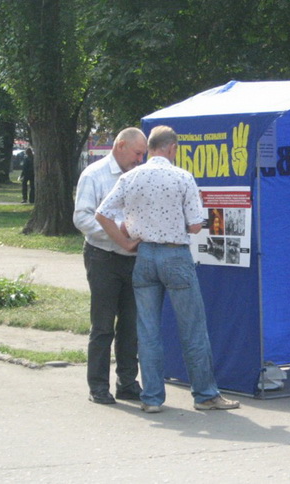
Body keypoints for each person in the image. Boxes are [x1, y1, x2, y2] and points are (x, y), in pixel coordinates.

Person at [95, 125, 239, 414]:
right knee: (192, 328)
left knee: (148, 331)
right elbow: (196, 225)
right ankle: (205, 394)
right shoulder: (182, 177)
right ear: (172, 148)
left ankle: (151, 398)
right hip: (175, 255)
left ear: (149, 147)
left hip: (144, 255)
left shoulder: (129, 177)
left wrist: (125, 242)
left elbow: (102, 214)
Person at [73, 128, 147, 405]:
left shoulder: (139, 175)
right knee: (103, 325)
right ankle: (98, 386)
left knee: (130, 325)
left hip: (133, 259)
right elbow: (82, 218)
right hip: (102, 257)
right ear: (121, 146)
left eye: (143, 154)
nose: (140, 159)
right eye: (137, 153)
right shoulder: (94, 175)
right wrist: (118, 232)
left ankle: (127, 383)